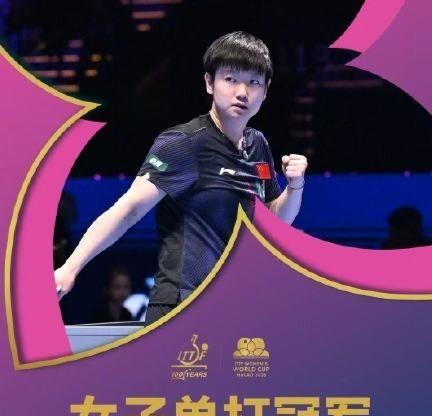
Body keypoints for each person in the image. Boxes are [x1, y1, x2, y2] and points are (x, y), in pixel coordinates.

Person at [55, 31, 308, 325]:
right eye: (230, 79)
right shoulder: (184, 143)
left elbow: (274, 220)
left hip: (236, 303)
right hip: (183, 304)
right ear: (209, 83)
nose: (242, 92)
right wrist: (71, 267)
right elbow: (129, 209)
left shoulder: (258, 145)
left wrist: (295, 186)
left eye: (254, 82)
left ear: (266, 91)